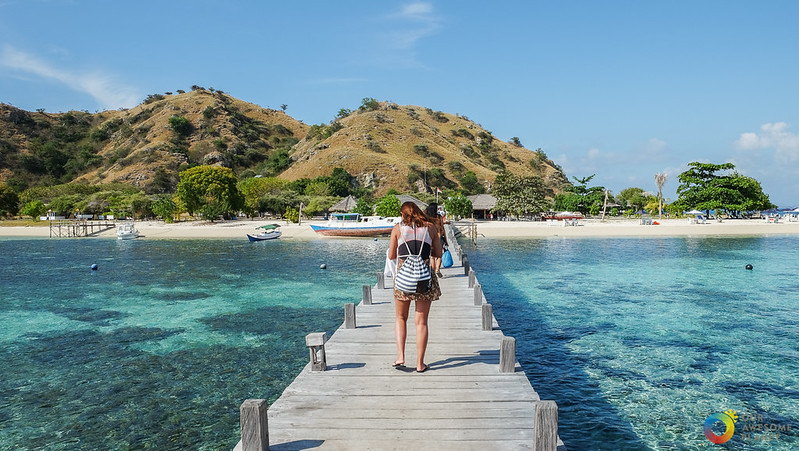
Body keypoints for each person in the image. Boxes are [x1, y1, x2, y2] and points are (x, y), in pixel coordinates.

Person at [388, 201, 442, 373]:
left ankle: (400, 356)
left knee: (400, 318)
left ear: (403, 214)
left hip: (403, 279)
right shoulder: (430, 228)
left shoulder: (398, 229)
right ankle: (420, 363)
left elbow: (391, 255)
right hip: (424, 279)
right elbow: (439, 253)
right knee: (421, 322)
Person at [425, 203, 448, 278]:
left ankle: (433, 271)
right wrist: (446, 240)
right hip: (439, 236)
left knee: (432, 256)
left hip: (430, 237)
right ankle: (437, 269)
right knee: (439, 255)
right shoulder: (439, 217)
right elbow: (442, 228)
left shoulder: (427, 218)